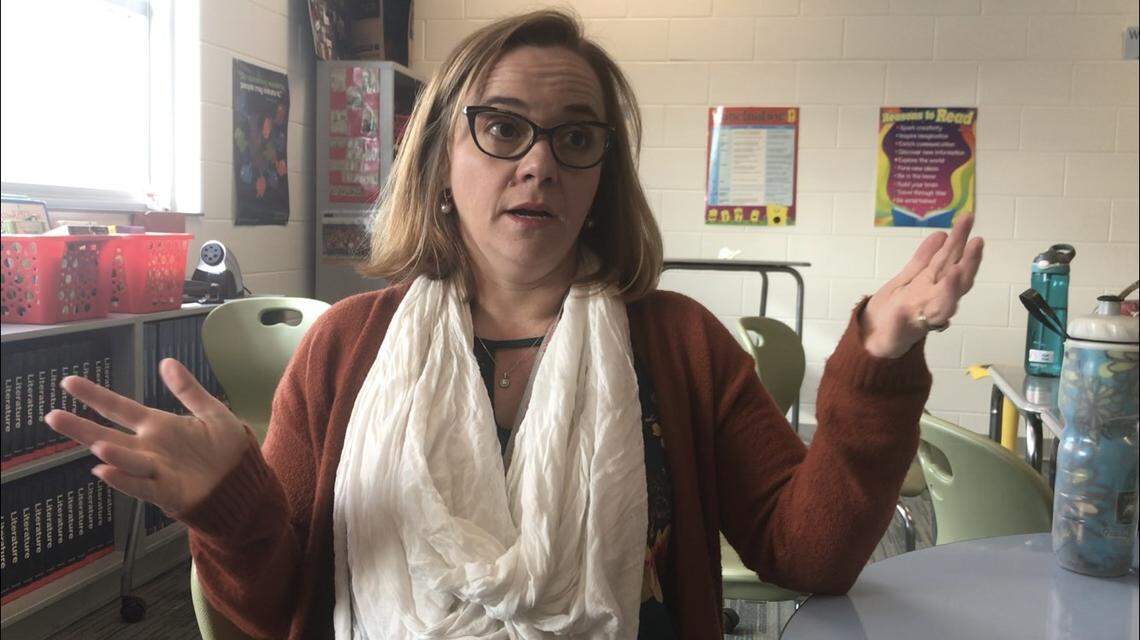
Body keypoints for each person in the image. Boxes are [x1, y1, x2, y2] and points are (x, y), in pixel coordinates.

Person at [45, 10, 983, 640]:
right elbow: (278, 612)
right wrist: (228, 506)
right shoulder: (346, 349)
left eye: (574, 137)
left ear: (601, 176)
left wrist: (878, 360)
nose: (539, 164)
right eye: (502, 127)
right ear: (441, 157)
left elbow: (807, 553)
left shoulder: (680, 345)